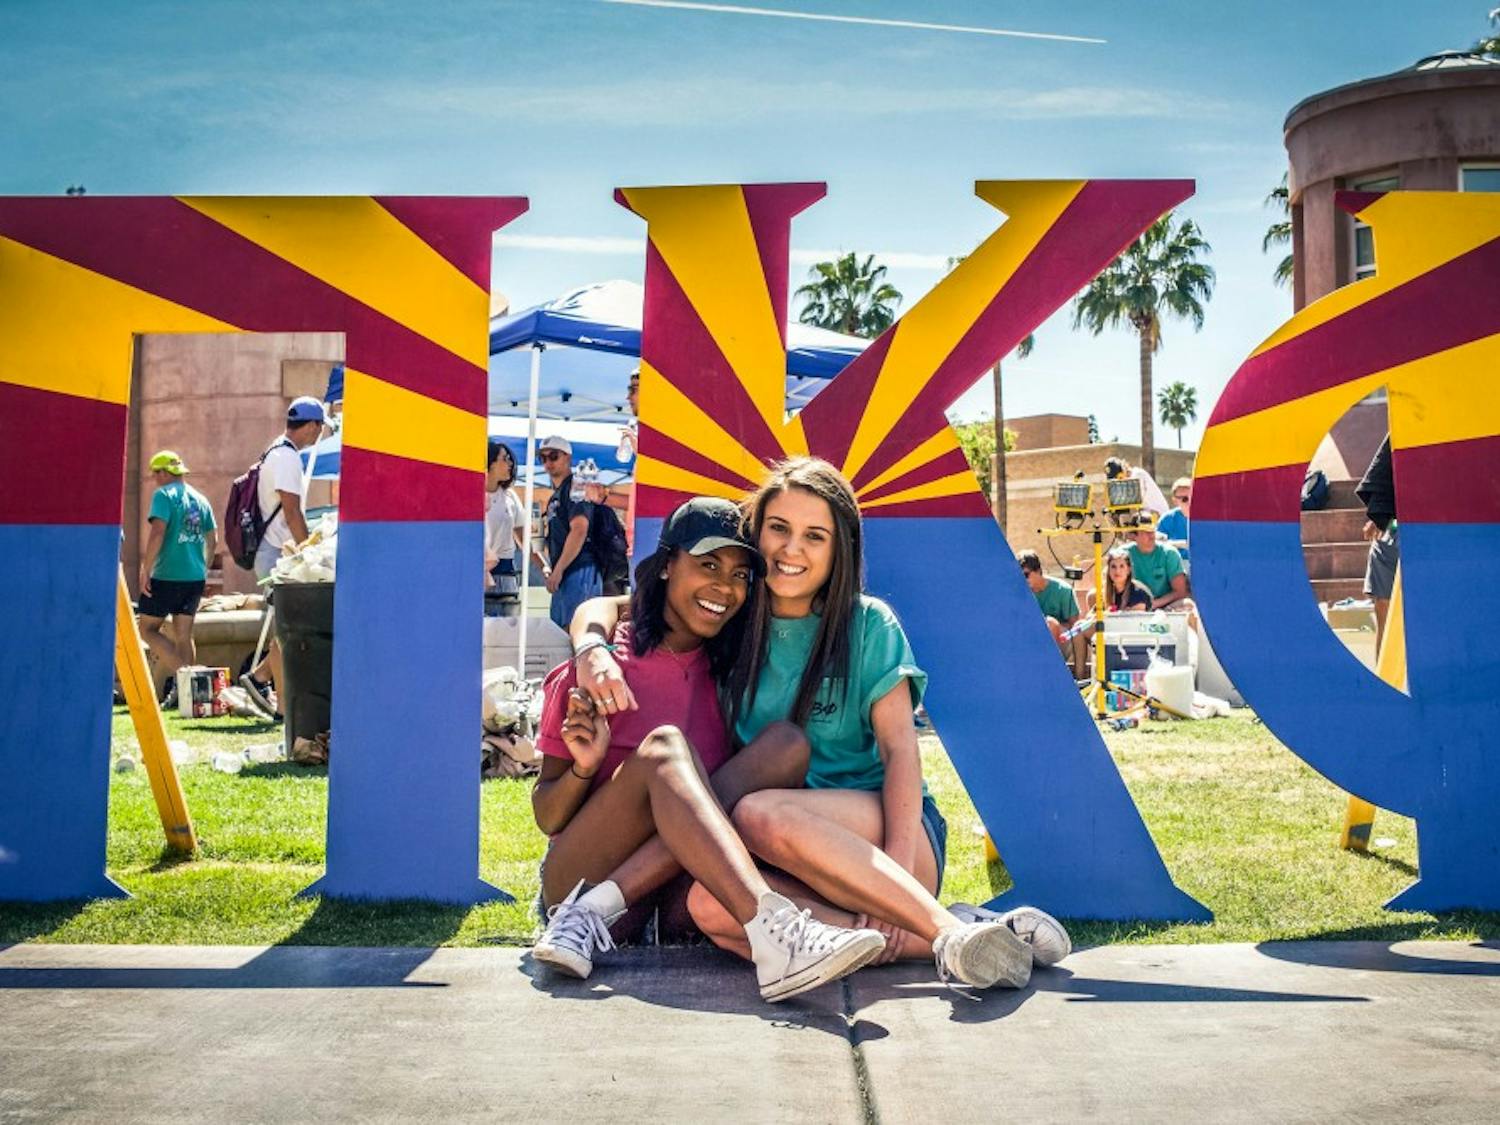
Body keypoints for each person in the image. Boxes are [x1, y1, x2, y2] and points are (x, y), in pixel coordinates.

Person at [573, 459, 1070, 990]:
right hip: (783, 856)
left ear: (840, 550)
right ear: (755, 534)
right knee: (707, 904)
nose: (792, 550)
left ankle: (940, 926)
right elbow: (609, 605)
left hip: (891, 841)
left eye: (815, 536)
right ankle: (969, 941)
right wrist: (590, 648)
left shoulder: (868, 622)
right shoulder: (732, 618)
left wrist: (901, 877)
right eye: (779, 529)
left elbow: (903, 753)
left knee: (761, 811)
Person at [531, 497, 886, 1001]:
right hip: (578, 887)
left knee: (786, 743)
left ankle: (838, 929)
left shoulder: (732, 672)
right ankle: (773, 929)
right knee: (665, 749)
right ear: (666, 566)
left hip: (676, 901)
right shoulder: (604, 665)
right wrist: (585, 769)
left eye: (741, 575)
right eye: (708, 565)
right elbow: (547, 814)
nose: (724, 587)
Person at [239, 396, 326, 717]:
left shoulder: (275, 450)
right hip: (277, 552)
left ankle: (265, 683)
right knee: (289, 628)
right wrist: (309, 552)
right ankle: (276, 695)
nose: (320, 435)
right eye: (320, 428)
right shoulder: (288, 458)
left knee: (287, 626)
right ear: (313, 425)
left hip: (270, 550)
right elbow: (292, 513)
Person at [137, 450, 217, 701]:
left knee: (147, 630)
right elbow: (213, 540)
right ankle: (190, 696)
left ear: (163, 472)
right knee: (184, 635)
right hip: (194, 576)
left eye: (155, 474)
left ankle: (190, 676)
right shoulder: (200, 498)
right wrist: (203, 569)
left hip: (167, 574)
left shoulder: (163, 495)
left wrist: (145, 569)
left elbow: (157, 533)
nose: (154, 479)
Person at [534, 435, 602, 630]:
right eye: (543, 458)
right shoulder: (557, 494)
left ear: (568, 457)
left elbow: (579, 529)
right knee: (562, 635)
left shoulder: (576, 486)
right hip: (566, 573)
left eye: (553, 456)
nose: (547, 462)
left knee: (576, 633)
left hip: (579, 569)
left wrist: (558, 570)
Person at [1356, 435, 1399, 652]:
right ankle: (1382, 678)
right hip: (1395, 528)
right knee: (1383, 607)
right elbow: (1384, 469)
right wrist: (1378, 515)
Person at [1017, 549, 1088, 679]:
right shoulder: (1018, 594)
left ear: (1038, 571)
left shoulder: (1062, 590)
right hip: (1029, 640)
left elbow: (1074, 626)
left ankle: (1053, 672)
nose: (1023, 580)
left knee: (1050, 623)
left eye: (1026, 575)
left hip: (1061, 641)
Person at [483, 438, 525, 616]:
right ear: (490, 464)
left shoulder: (510, 496)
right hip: (480, 574)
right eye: (504, 459)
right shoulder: (471, 496)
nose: (510, 464)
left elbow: (522, 536)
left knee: (508, 631)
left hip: (507, 573)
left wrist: (543, 566)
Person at [1126, 515, 1193, 614]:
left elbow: (1180, 591)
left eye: (1152, 531)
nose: (1151, 535)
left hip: (1165, 606)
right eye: (1146, 532)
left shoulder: (1169, 553)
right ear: (1133, 536)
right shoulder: (1124, 554)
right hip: (1133, 606)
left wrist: (1153, 604)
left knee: (1188, 604)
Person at [1104, 456, 1170, 519]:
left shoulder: (1138, 475)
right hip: (1145, 511)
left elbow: (1137, 502)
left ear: (1123, 469)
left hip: (1157, 512)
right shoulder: (1125, 483)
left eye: (1118, 477)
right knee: (1109, 513)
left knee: (1126, 516)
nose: (1118, 480)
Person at [1093, 547, 1154, 613]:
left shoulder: (1138, 593)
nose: (1117, 571)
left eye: (1121, 566)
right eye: (1113, 566)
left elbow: (1135, 620)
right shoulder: (1108, 592)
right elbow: (1091, 616)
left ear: (1128, 570)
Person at [1156, 477, 1192, 565]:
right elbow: (1158, 544)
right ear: (1175, 500)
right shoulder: (1167, 519)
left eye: (1192, 497)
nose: (1190, 502)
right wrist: (1182, 544)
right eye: (1184, 499)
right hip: (1175, 564)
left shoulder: (1205, 517)